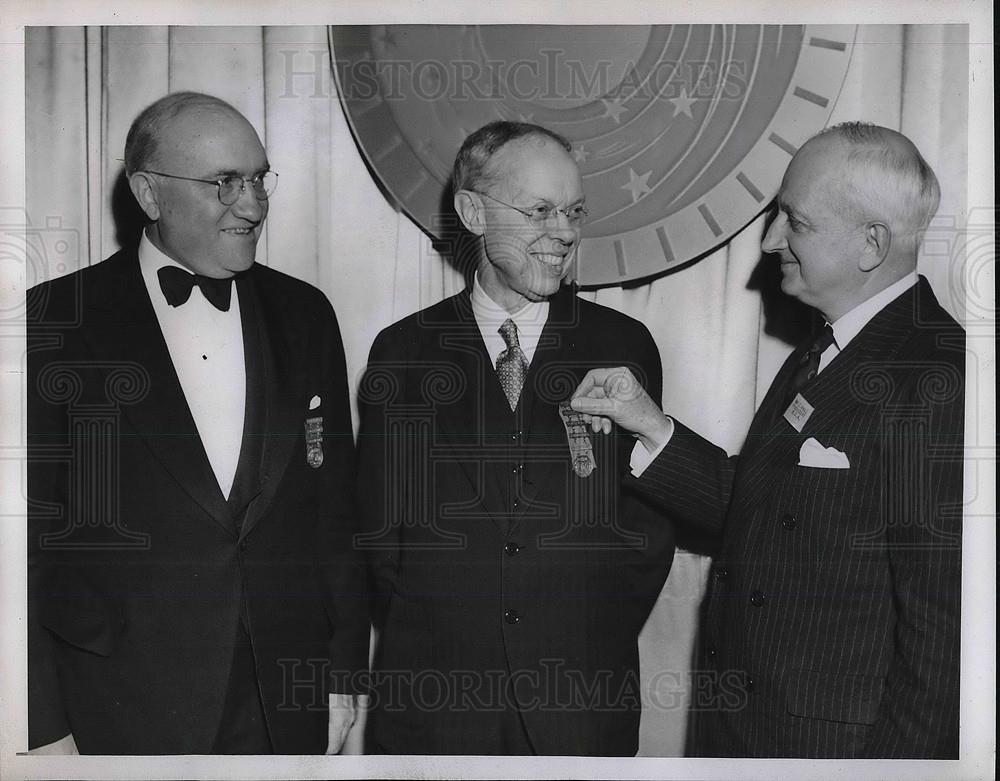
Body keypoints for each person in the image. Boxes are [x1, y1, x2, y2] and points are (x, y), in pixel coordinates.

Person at [571, 122, 964, 758]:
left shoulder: (942, 378)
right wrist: (650, 425)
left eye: (795, 221)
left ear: (872, 244)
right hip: (750, 736)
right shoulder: (824, 350)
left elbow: (944, 642)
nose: (768, 239)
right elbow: (768, 509)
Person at [27, 92, 369, 755]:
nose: (253, 204)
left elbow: (334, 513)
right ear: (149, 193)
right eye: (224, 183)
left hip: (284, 697)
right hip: (118, 706)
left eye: (259, 179)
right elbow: (23, 547)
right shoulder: (50, 322)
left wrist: (342, 675)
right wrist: (42, 725)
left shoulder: (306, 314)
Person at [355, 121, 674, 755]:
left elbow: (645, 534)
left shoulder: (622, 346)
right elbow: (380, 539)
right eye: (539, 211)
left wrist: (584, 639)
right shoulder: (403, 354)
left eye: (574, 212)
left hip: (579, 707)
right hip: (438, 710)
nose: (564, 232)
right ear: (472, 212)